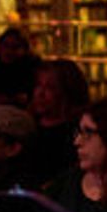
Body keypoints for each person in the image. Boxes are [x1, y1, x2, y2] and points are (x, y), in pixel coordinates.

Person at [21, 59, 89, 189]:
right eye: (38, 85)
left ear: (67, 92)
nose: (40, 93)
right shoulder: (26, 127)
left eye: (50, 87)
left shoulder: (78, 131)